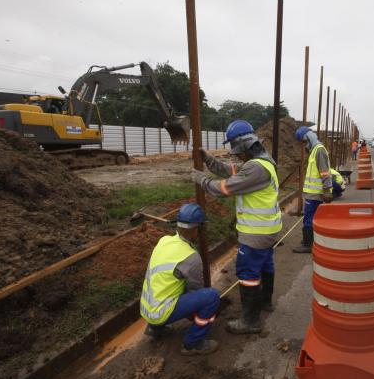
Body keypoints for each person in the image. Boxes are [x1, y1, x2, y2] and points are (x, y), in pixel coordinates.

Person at [191, 120, 282, 334]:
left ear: (244, 146)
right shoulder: (263, 162)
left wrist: (201, 180)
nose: (236, 156)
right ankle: (265, 302)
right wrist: (208, 160)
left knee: (248, 273)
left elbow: (225, 187)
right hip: (267, 231)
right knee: (265, 266)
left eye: (237, 151)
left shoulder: (256, 168)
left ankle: (251, 321)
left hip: (255, 234)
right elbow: (230, 170)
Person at [140, 203, 220, 356]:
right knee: (211, 297)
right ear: (196, 229)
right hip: (161, 312)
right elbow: (195, 290)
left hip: (147, 309)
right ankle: (193, 343)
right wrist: (200, 314)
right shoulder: (191, 257)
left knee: (167, 283)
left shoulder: (164, 241)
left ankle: (155, 328)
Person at [293, 126, 332, 254]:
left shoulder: (319, 150)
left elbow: (325, 172)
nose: (304, 145)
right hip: (311, 194)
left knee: (309, 218)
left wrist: (327, 190)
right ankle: (310, 240)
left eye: (305, 142)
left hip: (315, 194)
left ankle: (308, 244)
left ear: (309, 138)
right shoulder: (314, 150)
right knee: (311, 217)